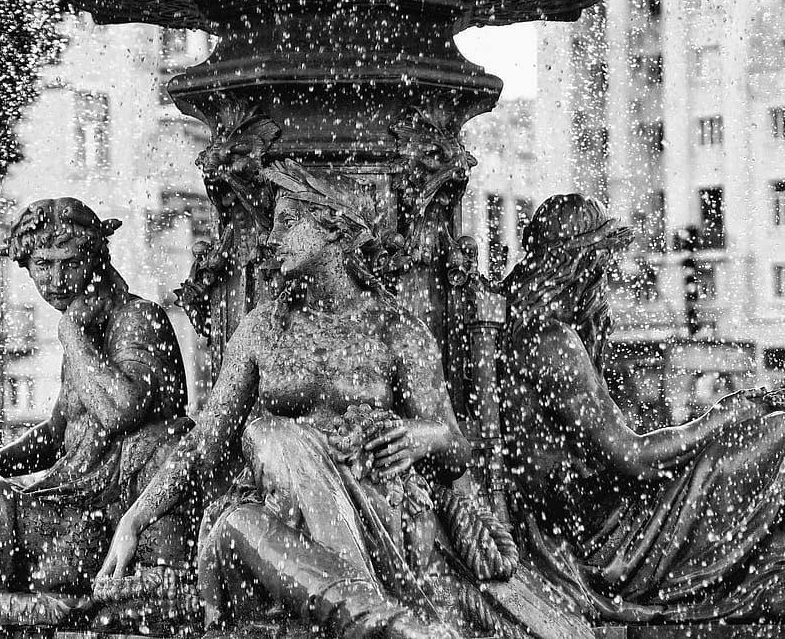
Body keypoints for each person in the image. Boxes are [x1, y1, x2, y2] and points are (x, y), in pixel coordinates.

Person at [95, 161, 526, 639]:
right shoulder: (262, 329)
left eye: (287, 223)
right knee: (262, 448)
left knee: (264, 450)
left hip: (375, 522)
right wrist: (135, 517)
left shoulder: (397, 331)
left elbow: (457, 448)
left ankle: (368, 613)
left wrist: (422, 437)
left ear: (335, 229)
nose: (270, 240)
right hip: (275, 530)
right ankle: (389, 625)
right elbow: (203, 446)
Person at [0, 197, 194, 625]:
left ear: (96, 259)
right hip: (53, 505)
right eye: (43, 265)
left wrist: (72, 334)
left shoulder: (137, 319)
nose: (56, 280)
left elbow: (120, 411)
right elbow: (57, 431)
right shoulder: (87, 328)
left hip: (82, 526)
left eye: (70, 263)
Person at [500, 193, 785, 623]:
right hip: (609, 539)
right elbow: (635, 459)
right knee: (780, 438)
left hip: (592, 516)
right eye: (602, 263)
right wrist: (729, 413)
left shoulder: (532, 332)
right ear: (581, 266)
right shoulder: (552, 341)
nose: (608, 275)